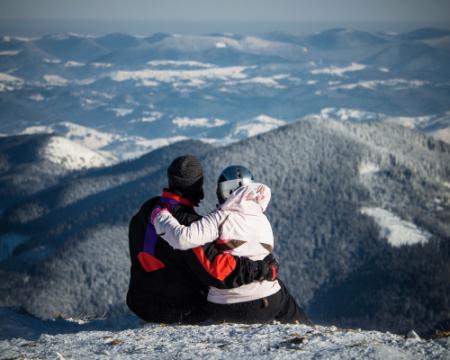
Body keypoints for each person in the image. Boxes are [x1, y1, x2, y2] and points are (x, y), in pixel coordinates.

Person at [126, 156, 278, 324]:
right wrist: (262, 268)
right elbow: (219, 271)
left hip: (138, 302)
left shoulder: (150, 207)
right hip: (178, 309)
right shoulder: (190, 224)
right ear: (197, 185)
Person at [152, 165, 312, 324]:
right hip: (269, 301)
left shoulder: (219, 218)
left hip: (225, 307)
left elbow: (182, 238)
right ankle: (309, 332)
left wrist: (159, 216)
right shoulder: (262, 219)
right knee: (286, 300)